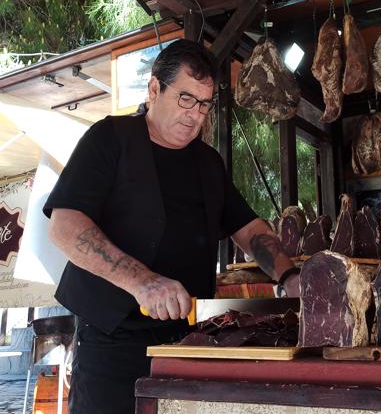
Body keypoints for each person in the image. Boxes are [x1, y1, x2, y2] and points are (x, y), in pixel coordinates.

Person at [43, 39, 300, 414]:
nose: (195, 115)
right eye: (185, 99)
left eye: (204, 104)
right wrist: (143, 282)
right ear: (153, 89)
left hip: (188, 340)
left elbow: (249, 229)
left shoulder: (209, 163)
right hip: (112, 344)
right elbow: (64, 227)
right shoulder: (110, 138)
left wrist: (288, 276)